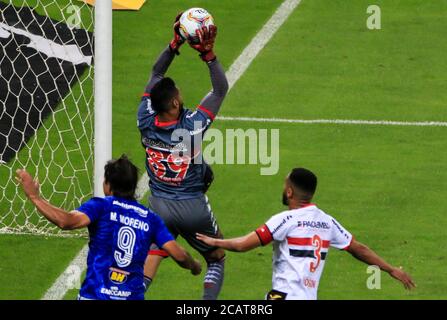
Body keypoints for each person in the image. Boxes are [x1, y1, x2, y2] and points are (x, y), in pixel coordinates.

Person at [197, 168, 416, 300]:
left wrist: (215, 241)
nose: (284, 190)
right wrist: (390, 269)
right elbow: (358, 248)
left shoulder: (284, 220)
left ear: (290, 191)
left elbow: (244, 245)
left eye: (285, 186)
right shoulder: (327, 222)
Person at [16, 155, 201, 300]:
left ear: (108, 185)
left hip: (95, 295)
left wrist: (35, 197)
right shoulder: (150, 219)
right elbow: (178, 254)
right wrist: (194, 266)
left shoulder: (101, 206)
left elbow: (67, 221)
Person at [137, 13, 228, 300]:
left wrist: (174, 44)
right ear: (175, 101)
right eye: (178, 92)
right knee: (217, 256)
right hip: (192, 206)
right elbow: (220, 89)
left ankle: (131, 296)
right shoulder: (193, 125)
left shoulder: (145, 118)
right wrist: (208, 55)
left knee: (154, 252)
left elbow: (155, 75)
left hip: (160, 204)